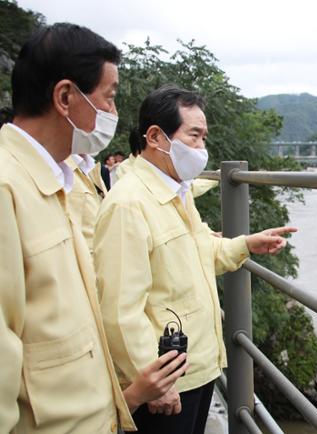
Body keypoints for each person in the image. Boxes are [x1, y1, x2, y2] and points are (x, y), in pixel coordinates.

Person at [0, 23, 187, 433]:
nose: (113, 112)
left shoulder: (58, 181)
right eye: (109, 96)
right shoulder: (7, 188)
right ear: (66, 97)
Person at [94, 84, 297, 434]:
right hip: (169, 379)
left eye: (204, 137)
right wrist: (155, 380)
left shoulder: (177, 191)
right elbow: (119, 309)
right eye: (194, 136)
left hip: (198, 365)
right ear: (156, 137)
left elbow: (200, 253)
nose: (202, 148)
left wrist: (246, 244)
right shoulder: (128, 204)